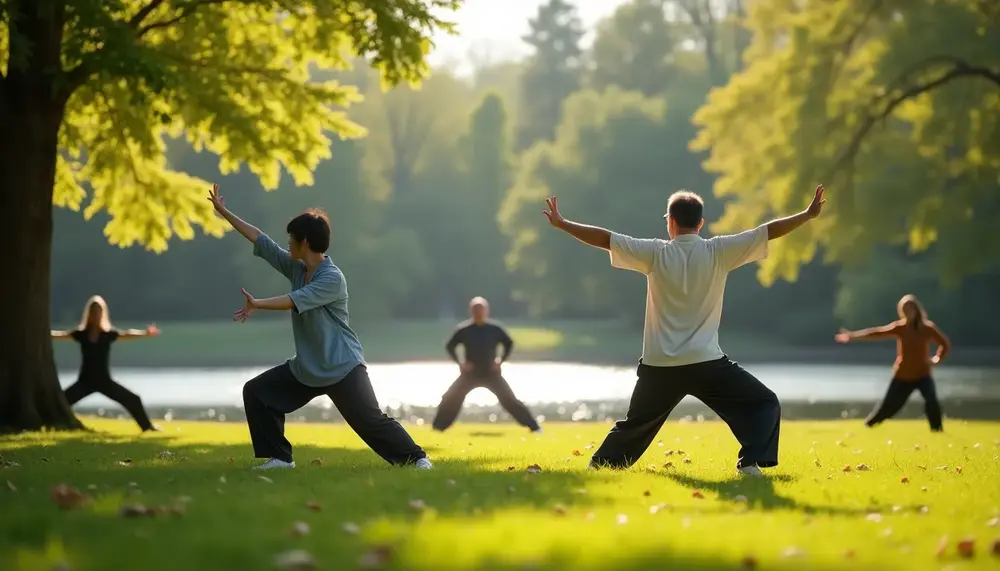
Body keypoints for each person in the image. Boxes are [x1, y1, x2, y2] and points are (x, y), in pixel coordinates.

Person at [542, 186, 827, 476]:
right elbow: (767, 231)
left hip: (660, 365)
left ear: (671, 222)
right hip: (706, 363)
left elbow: (606, 239)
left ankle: (600, 466)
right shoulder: (719, 251)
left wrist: (563, 224)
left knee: (637, 423)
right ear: (700, 223)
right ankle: (750, 464)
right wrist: (806, 215)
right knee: (763, 403)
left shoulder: (655, 252)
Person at [208, 184, 431, 470]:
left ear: (305, 242)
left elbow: (294, 300)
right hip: (309, 368)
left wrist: (257, 304)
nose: (287, 243)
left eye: (291, 238)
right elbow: (261, 241)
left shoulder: (332, 278)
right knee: (257, 392)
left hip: (342, 367)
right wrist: (225, 212)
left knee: (370, 421)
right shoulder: (297, 267)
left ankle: (418, 459)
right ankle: (279, 459)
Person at [835, 294, 950, 431]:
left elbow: (944, 344)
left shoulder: (927, 328)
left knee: (931, 400)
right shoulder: (900, 328)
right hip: (903, 375)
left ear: (916, 310)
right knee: (889, 406)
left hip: (922, 374)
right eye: (904, 311)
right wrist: (852, 336)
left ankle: (937, 430)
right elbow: (877, 332)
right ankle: (870, 425)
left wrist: (936, 359)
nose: (908, 313)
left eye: (910, 310)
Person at [51, 295, 160, 432]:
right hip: (85, 381)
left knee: (134, 399)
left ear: (103, 313)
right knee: (59, 403)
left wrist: (145, 333)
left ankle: (148, 427)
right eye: (93, 312)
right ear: (89, 314)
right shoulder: (81, 334)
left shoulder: (107, 335)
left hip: (104, 381)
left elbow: (127, 334)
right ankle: (52, 426)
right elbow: (60, 335)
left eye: (99, 311)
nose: (96, 315)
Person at [432, 297, 541, 433]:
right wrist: (461, 362)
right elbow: (450, 346)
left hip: (491, 372)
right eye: (475, 310)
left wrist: (500, 361)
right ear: (471, 311)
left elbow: (509, 343)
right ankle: (438, 428)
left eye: (480, 309)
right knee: (450, 398)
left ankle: (534, 427)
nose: (478, 312)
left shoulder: (494, 329)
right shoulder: (464, 330)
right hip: (470, 374)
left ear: (486, 311)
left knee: (509, 400)